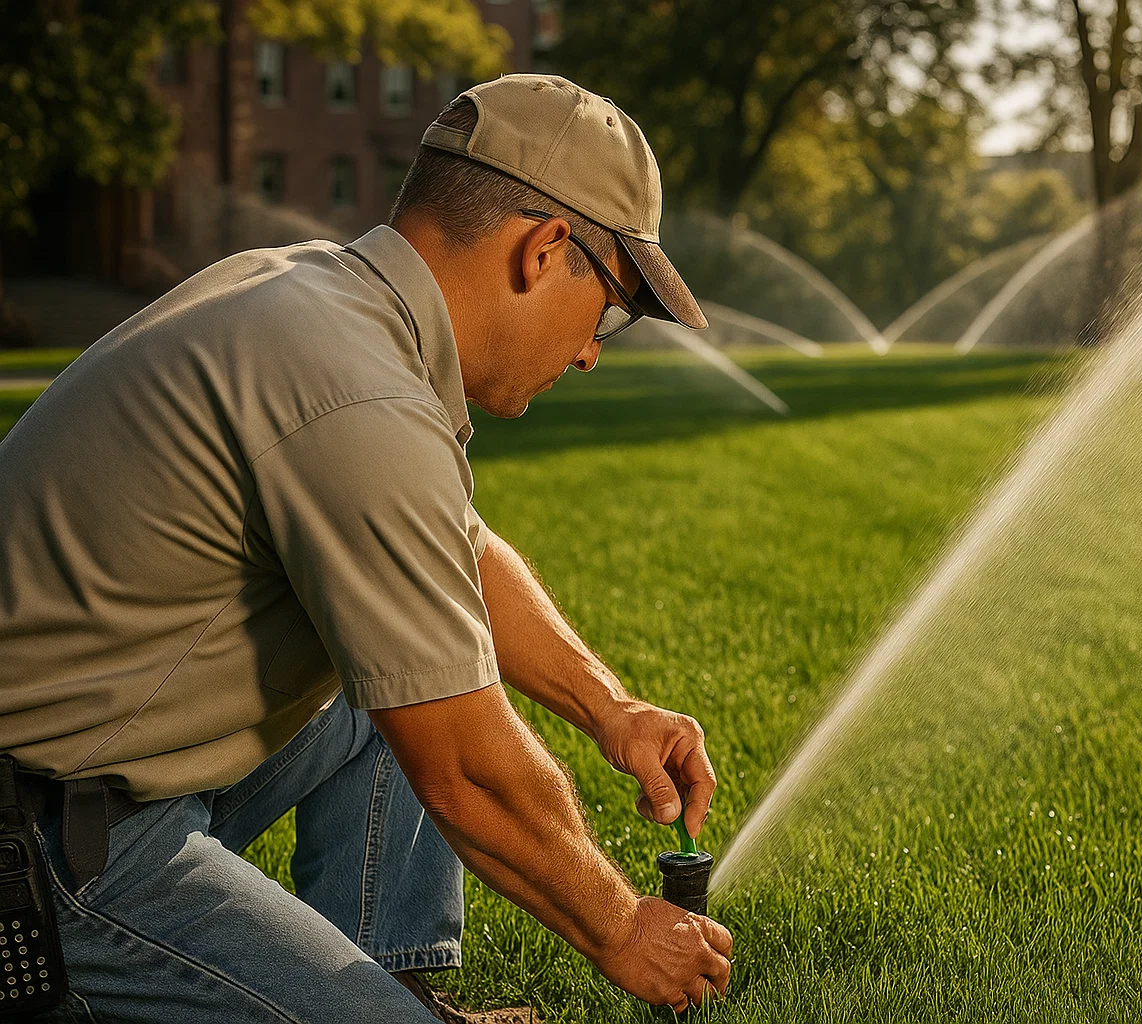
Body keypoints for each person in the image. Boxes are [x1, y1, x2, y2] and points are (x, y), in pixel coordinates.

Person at [0, 74, 730, 1023]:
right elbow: (468, 770)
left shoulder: (318, 301)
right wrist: (623, 929)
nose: (592, 350)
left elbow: (450, 555)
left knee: (389, 659)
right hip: (43, 852)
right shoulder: (357, 395)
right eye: (612, 307)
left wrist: (612, 709)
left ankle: (396, 986)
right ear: (547, 250)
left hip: (93, 779)